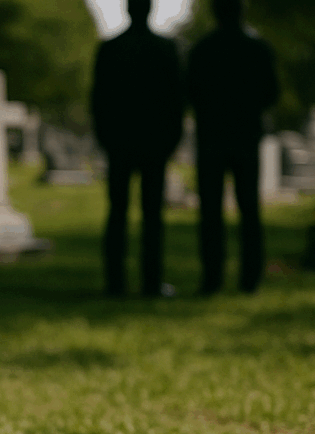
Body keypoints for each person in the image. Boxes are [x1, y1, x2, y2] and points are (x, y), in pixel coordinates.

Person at [91, 0, 184, 298]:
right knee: (152, 216)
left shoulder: (111, 48)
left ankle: (115, 282)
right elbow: (175, 100)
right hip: (153, 143)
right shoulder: (164, 49)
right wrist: (171, 139)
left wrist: (106, 138)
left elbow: (99, 99)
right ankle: (151, 282)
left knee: (117, 213)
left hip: (120, 141)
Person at [187, 0, 279, 295]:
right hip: (244, 137)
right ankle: (249, 278)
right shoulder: (257, 49)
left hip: (212, 137)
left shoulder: (203, 50)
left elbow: (189, 91)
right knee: (249, 209)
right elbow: (271, 92)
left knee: (211, 212)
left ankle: (212, 277)